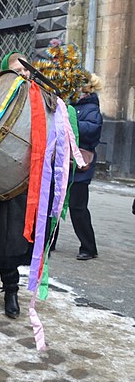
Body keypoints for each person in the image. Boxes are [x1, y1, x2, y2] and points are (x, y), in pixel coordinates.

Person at [0, 52, 35, 318]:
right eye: (17, 69)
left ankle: (11, 290)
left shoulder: (39, 99)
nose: (23, 73)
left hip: (23, 180)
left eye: (26, 69)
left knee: (15, 238)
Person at [65, 73, 103, 260]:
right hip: (65, 162)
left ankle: (88, 247)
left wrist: (70, 122)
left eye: (79, 85)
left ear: (87, 88)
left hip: (81, 165)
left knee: (77, 207)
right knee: (55, 205)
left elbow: (92, 130)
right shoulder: (71, 105)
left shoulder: (91, 108)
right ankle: (50, 242)